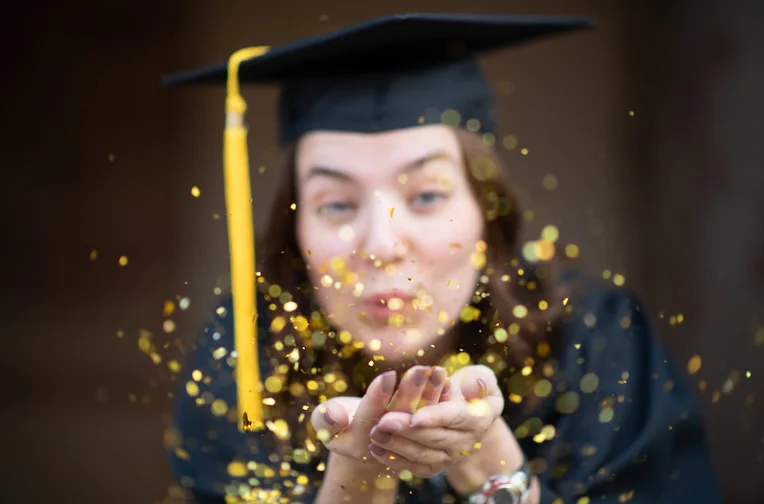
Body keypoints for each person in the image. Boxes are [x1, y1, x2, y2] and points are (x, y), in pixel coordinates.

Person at [162, 13, 722, 504]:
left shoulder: (598, 341)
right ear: (294, 230)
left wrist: (492, 469)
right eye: (336, 204)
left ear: (488, 214)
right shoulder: (245, 363)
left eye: (426, 196)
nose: (381, 245)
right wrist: (356, 483)